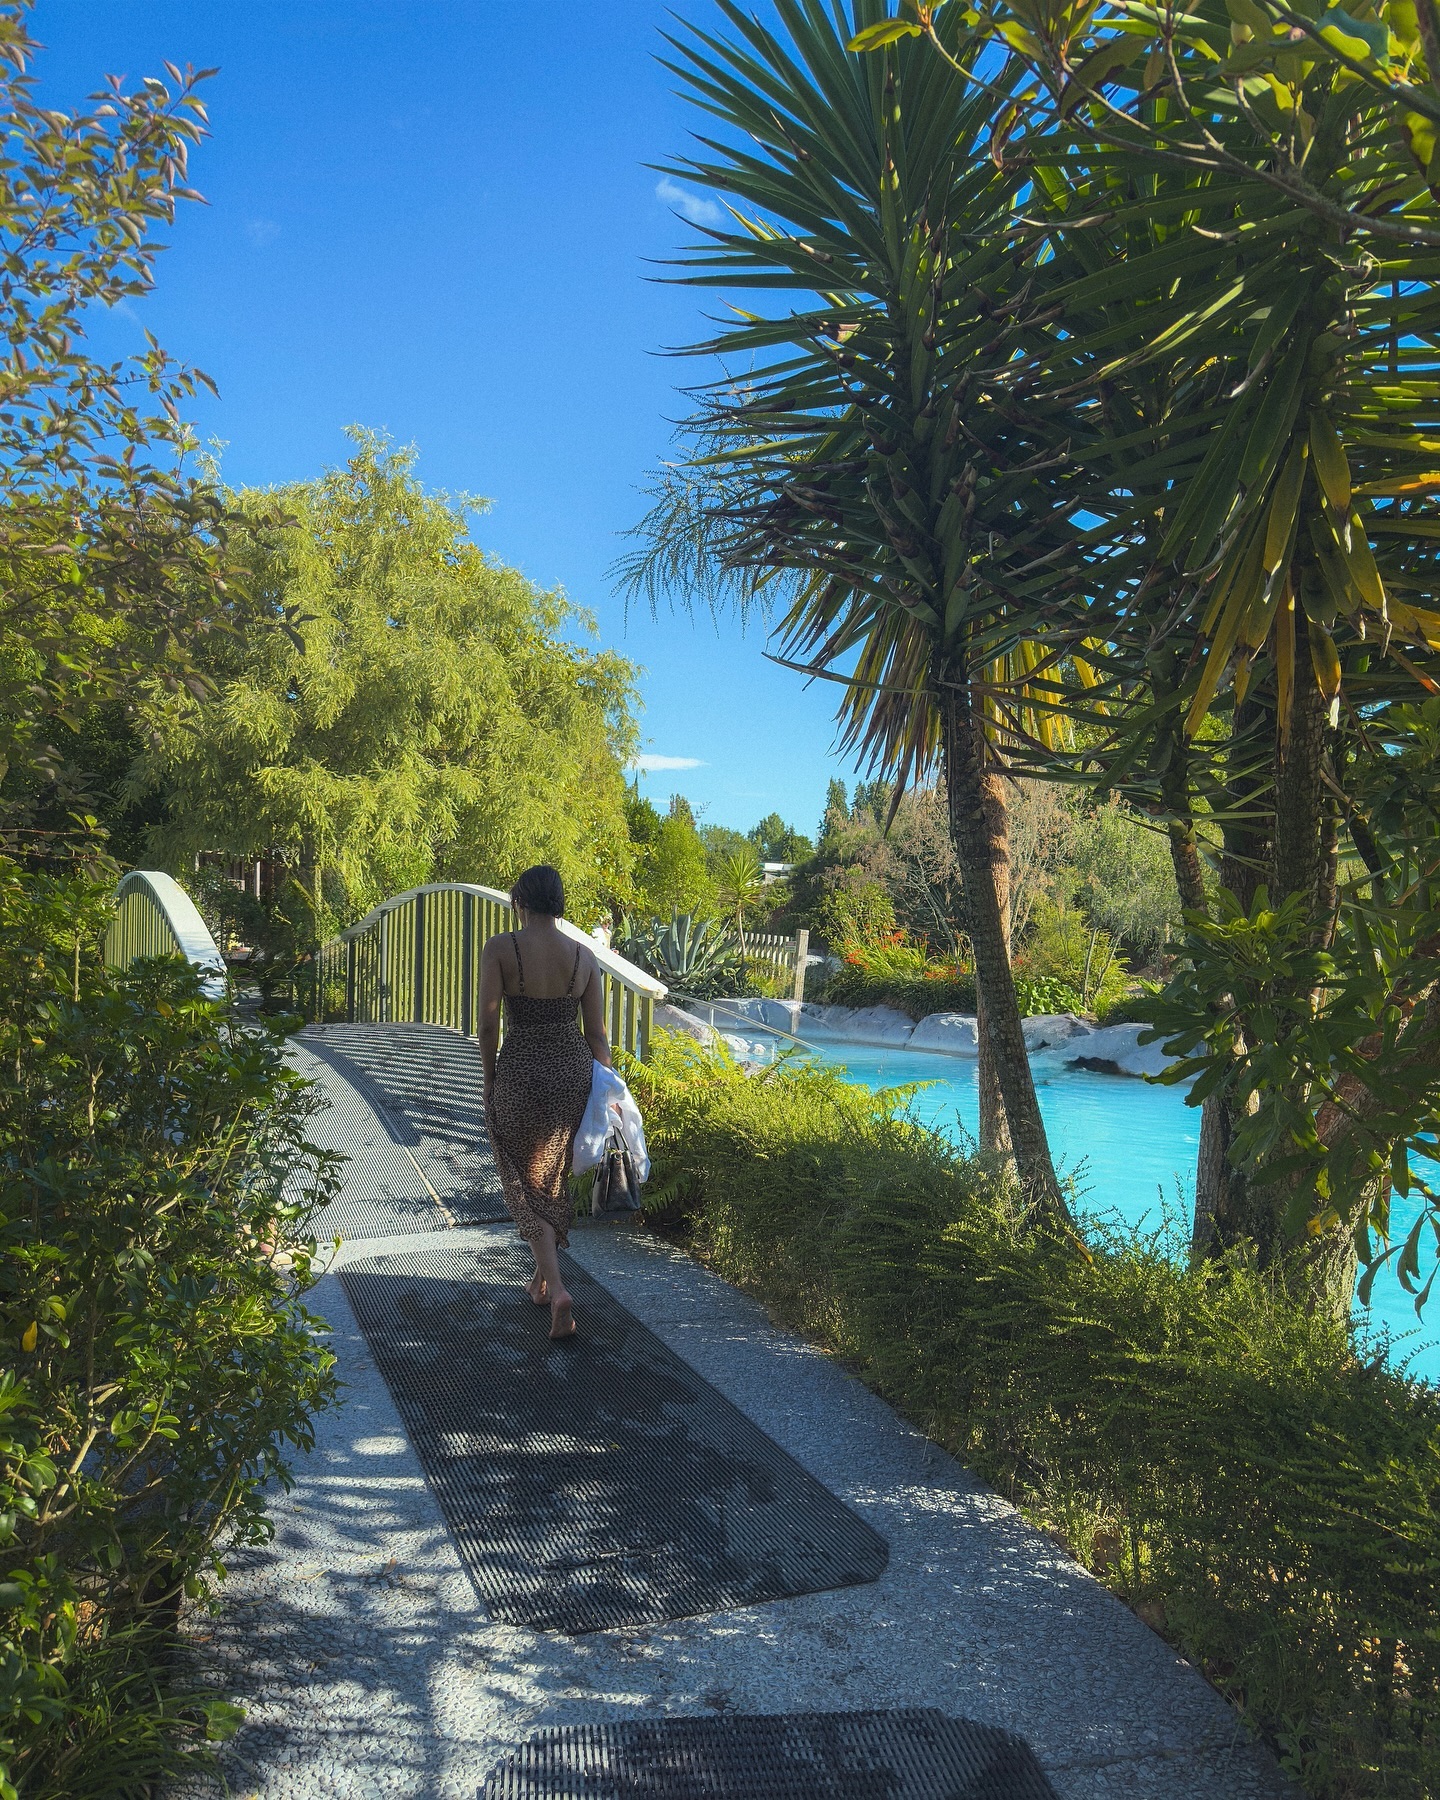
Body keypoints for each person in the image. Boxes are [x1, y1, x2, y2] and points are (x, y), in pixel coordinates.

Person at [477, 864, 611, 1339]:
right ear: (558, 902)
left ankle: (557, 1290)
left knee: (521, 1178)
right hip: (571, 1073)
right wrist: (609, 1089)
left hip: (521, 1071)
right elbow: (596, 1035)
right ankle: (540, 1282)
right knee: (549, 1177)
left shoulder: (501, 949)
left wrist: (490, 1082)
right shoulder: (584, 956)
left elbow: (489, 1026)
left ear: (520, 901)